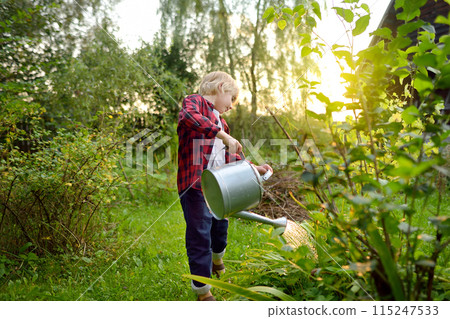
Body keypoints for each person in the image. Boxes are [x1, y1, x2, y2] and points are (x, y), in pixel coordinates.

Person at [177, 71, 273, 301]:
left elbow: (230, 159)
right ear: (221, 87)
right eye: (232, 98)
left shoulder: (223, 124)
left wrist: (253, 168)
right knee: (200, 234)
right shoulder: (195, 102)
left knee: (220, 229)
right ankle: (203, 291)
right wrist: (223, 136)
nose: (231, 106)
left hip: (219, 188)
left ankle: (217, 258)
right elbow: (188, 117)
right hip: (195, 186)